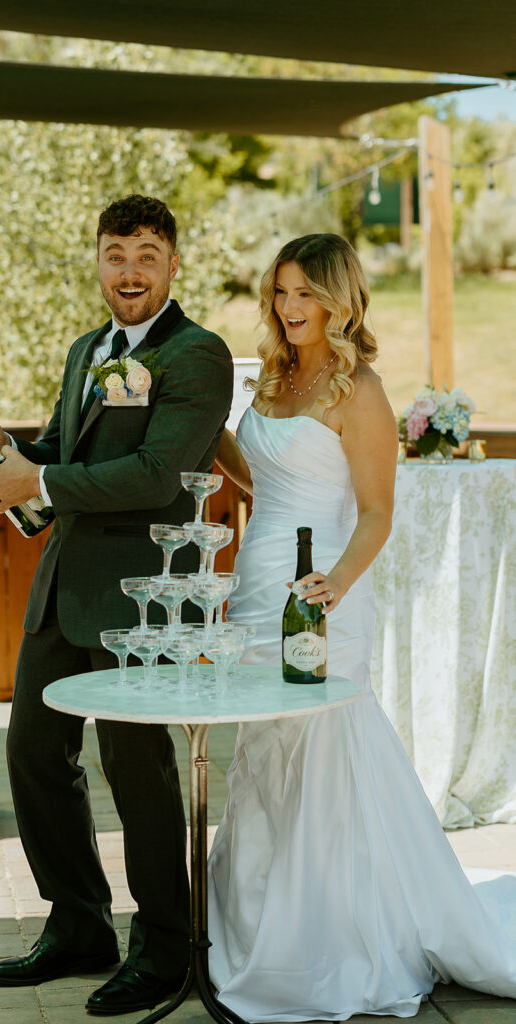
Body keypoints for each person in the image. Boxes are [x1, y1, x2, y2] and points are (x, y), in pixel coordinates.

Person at [208, 233, 516, 1021]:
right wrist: (211, 432)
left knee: (322, 752)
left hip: (324, 591)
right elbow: (260, 479)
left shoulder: (361, 389)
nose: (289, 309)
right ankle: (256, 926)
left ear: (338, 299)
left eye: (305, 295)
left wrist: (332, 585)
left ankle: (328, 940)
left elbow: (378, 512)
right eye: (279, 293)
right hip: (254, 584)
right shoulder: (275, 377)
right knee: (262, 748)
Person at [0, 194, 233, 1015]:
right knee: (33, 762)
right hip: (63, 593)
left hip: (143, 603)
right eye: (115, 253)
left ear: (173, 263)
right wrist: (6, 448)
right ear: (97, 262)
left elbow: (155, 474)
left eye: (147, 253)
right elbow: (65, 461)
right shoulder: (87, 351)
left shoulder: (196, 355)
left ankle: (164, 944)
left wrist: (36, 477)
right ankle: (77, 925)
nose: (130, 270)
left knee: (136, 775)